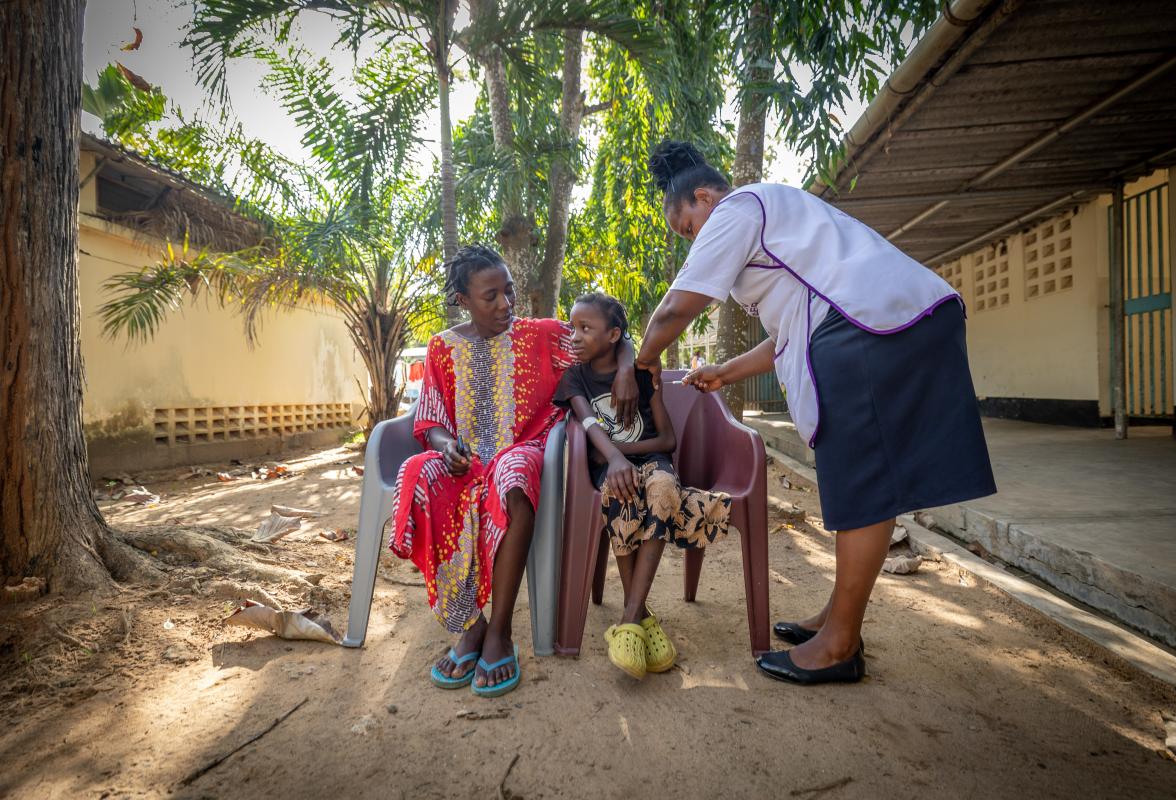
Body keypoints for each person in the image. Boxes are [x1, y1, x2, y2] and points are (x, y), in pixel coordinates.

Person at [634, 141, 996, 686]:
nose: (692, 240)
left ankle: (839, 645)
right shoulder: (778, 226)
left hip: (871, 325)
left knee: (864, 483)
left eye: (687, 227)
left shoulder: (738, 209)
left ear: (704, 198)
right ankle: (837, 618)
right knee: (873, 481)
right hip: (890, 320)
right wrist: (724, 373)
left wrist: (639, 364)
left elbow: (676, 306)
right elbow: (784, 337)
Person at [391, 246, 639, 697]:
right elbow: (430, 421)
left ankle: (500, 630)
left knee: (514, 476)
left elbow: (615, 337)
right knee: (418, 473)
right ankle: (472, 623)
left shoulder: (540, 335)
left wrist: (625, 370)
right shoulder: (442, 348)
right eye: (492, 296)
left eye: (510, 291)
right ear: (463, 300)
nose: (506, 303)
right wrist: (449, 450)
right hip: (466, 463)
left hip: (521, 450)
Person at [554, 293, 729, 679]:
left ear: (615, 334)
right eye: (572, 328)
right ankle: (644, 618)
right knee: (622, 496)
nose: (575, 336)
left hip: (653, 461)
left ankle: (630, 617)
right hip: (610, 471)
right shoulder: (574, 377)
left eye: (586, 328)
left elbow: (668, 441)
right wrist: (615, 460)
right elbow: (586, 424)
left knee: (665, 490)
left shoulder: (641, 373)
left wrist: (620, 450)